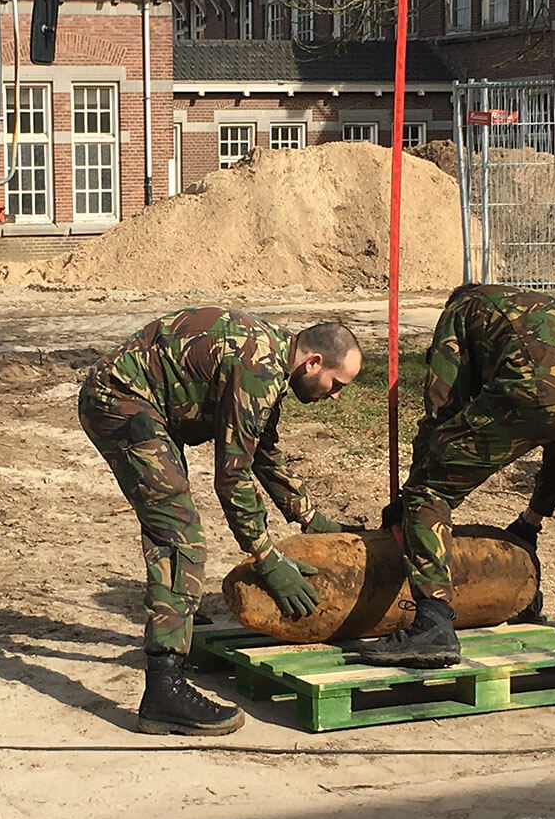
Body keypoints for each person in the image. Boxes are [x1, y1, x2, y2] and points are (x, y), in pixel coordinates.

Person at [78, 307, 364, 735]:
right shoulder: (259, 369)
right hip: (119, 402)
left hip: (140, 403)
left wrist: (310, 517)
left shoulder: (272, 359)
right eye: (336, 384)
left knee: (176, 524)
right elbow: (233, 476)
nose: (336, 394)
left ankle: (176, 625)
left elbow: (262, 450)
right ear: (313, 363)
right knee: (179, 535)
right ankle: (164, 689)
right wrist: (266, 557)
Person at [348, 282, 555, 670]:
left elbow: (442, 404)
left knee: (429, 492)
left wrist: (412, 495)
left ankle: (433, 623)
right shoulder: (538, 308)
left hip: (532, 387)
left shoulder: (462, 307)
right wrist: (530, 522)